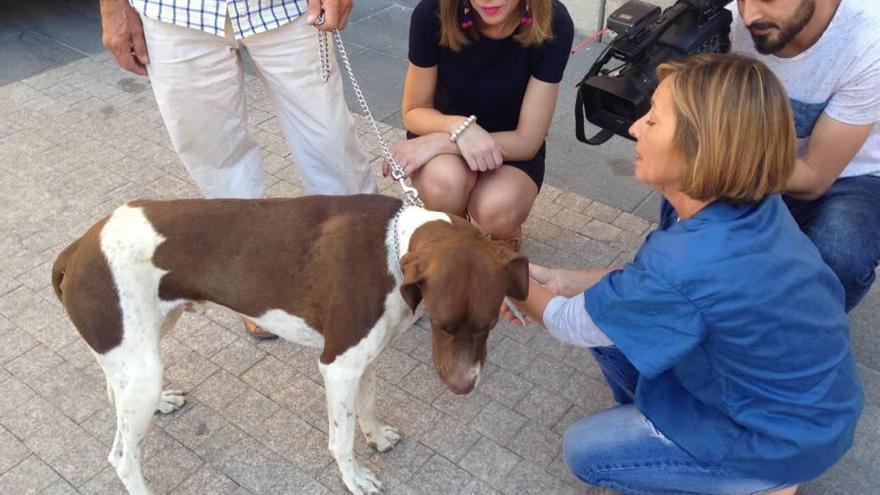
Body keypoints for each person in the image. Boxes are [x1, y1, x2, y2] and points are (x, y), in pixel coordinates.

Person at [505, 54, 863, 495]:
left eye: (654, 120)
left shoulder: (689, 261)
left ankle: (760, 483)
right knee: (614, 320)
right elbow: (643, 291)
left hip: (774, 440)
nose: (635, 127)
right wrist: (559, 280)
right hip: (813, 410)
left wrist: (504, 277)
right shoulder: (755, 207)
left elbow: (568, 322)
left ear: (702, 148)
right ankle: (667, 430)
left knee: (584, 450)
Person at [99, 0, 377, 338]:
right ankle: (263, 286)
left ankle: (366, 267)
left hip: (290, 8)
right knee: (215, 157)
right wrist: (113, 8)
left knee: (331, 144)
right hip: (174, 12)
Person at [387, 0, 574, 250]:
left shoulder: (554, 21)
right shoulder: (433, 11)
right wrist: (457, 129)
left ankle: (501, 236)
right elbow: (414, 111)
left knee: (497, 208)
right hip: (441, 128)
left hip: (508, 146)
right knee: (443, 184)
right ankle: (452, 234)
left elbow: (528, 140)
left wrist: (447, 140)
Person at [732, 0, 880, 311]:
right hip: (753, 153)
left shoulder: (869, 38)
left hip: (853, 174)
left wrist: (715, 162)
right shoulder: (729, 19)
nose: (748, 14)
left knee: (838, 253)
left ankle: (803, 334)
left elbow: (814, 179)